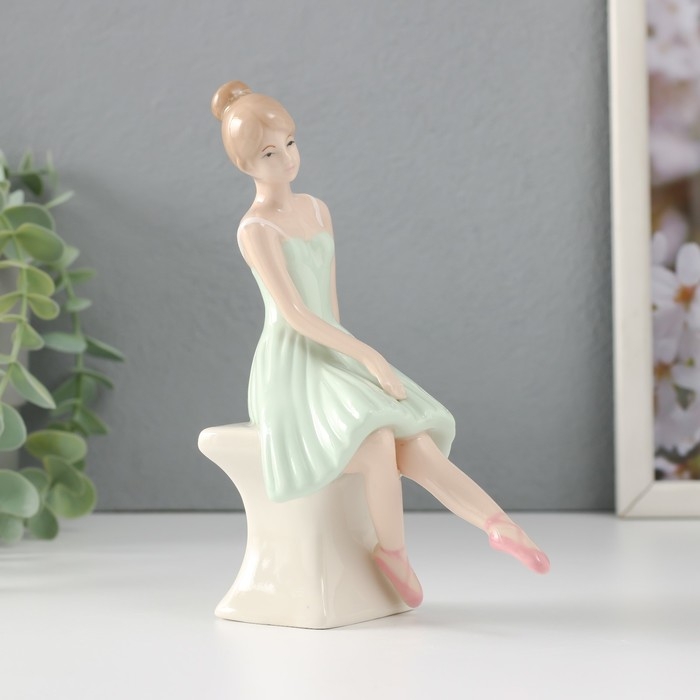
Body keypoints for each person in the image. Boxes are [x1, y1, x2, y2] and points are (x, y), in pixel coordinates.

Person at [212, 81, 550, 608]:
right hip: (289, 364)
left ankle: (499, 524)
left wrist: (356, 358)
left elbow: (329, 306)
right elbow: (296, 314)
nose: (287, 159)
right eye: (270, 153)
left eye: (290, 144)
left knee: (414, 440)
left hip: (334, 350)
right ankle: (394, 553)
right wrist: (369, 356)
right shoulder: (255, 229)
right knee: (375, 442)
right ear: (246, 165)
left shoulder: (317, 210)